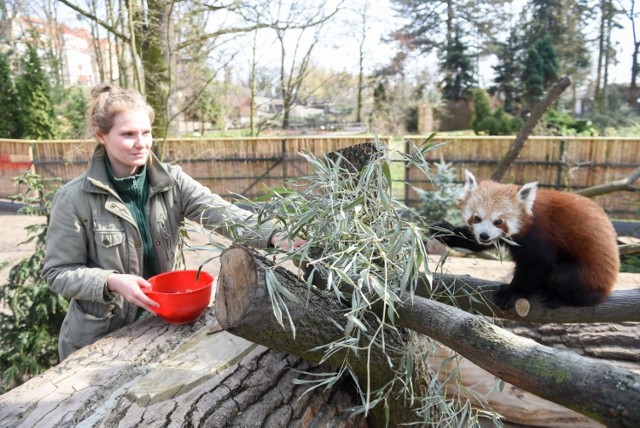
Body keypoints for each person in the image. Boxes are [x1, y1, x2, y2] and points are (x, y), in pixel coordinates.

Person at [42, 83, 301, 361]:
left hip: (162, 325)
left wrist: (276, 235)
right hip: (100, 340)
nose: (141, 143)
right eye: (128, 134)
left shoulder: (172, 181)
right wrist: (112, 281)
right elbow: (58, 273)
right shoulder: (74, 198)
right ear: (101, 136)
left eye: (146, 132)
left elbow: (223, 213)